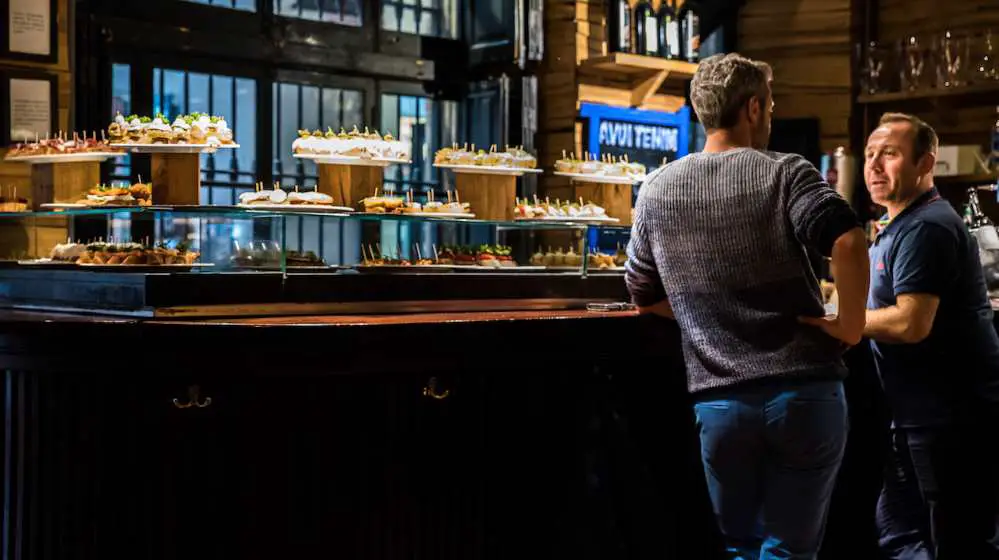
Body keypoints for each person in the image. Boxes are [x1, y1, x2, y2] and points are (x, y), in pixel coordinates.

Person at [624, 52, 870, 559]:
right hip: (802, 392)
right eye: (772, 104)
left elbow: (643, 294)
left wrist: (703, 310)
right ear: (754, 108)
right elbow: (848, 240)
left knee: (738, 548)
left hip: (719, 402)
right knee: (790, 551)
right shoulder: (785, 172)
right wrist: (850, 326)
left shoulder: (656, 189)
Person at [859, 112, 999, 559]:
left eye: (891, 154)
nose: (875, 165)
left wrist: (837, 321)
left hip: (949, 422)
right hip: (916, 418)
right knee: (900, 533)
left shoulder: (926, 227)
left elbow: (909, 323)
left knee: (952, 541)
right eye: (870, 154)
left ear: (926, 164)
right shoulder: (900, 224)